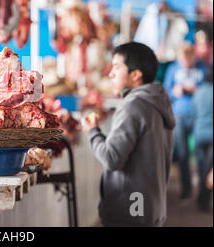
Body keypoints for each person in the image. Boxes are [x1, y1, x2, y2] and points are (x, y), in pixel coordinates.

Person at [81, 42, 175, 227]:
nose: (110, 73)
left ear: (136, 75)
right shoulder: (156, 102)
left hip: (131, 210)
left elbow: (112, 158)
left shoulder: (133, 106)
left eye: (116, 67)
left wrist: (93, 131)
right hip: (148, 207)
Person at [163, 43, 207, 199]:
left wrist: (197, 89)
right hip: (180, 115)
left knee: (202, 155)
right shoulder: (173, 69)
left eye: (189, 59)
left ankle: (204, 191)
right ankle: (186, 189)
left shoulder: (202, 67)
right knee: (183, 154)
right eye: (183, 60)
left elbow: (208, 87)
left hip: (198, 115)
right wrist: (175, 92)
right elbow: (166, 90)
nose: (187, 63)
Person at [192, 66, 213, 212]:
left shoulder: (198, 92)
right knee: (209, 171)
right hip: (211, 136)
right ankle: (204, 201)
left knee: (202, 168)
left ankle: (201, 199)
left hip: (199, 135)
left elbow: (194, 112)